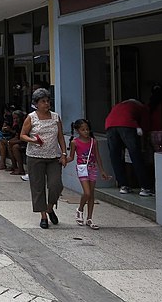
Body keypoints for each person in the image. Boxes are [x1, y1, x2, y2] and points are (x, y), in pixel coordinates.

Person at [20, 88, 68, 229]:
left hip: (53, 156)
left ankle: (49, 207)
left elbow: (60, 137)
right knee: (38, 187)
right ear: (36, 103)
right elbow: (22, 135)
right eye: (43, 101)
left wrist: (64, 154)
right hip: (35, 156)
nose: (46, 104)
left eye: (48, 101)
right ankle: (43, 216)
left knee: (56, 185)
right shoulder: (31, 117)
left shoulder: (55, 117)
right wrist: (33, 140)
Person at [68, 119, 111, 229]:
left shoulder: (93, 141)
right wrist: (63, 160)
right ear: (78, 131)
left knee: (91, 193)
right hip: (82, 168)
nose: (86, 132)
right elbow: (71, 157)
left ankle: (90, 218)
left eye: (87, 129)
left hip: (92, 168)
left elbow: (97, 156)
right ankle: (80, 209)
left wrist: (102, 171)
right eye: (83, 130)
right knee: (87, 193)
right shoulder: (75, 142)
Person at [105, 98, 152, 196]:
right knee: (136, 156)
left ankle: (123, 186)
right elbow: (145, 126)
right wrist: (144, 144)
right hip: (127, 125)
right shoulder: (142, 108)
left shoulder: (119, 105)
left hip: (109, 125)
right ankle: (145, 187)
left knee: (115, 157)